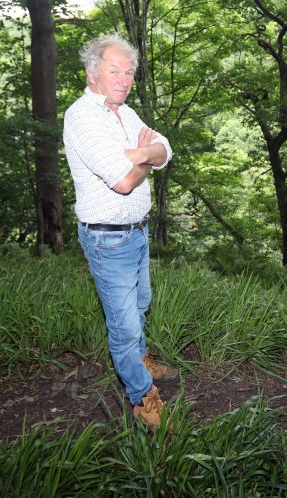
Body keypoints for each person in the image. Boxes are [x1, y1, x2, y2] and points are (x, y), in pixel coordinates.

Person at [63, 34, 178, 431]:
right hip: (107, 238)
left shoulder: (124, 114)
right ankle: (142, 397)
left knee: (141, 303)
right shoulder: (82, 116)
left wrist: (139, 154)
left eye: (129, 72)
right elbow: (126, 182)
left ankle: (139, 359)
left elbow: (165, 148)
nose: (125, 79)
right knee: (124, 325)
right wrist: (143, 157)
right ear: (92, 73)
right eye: (115, 70)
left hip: (137, 233)